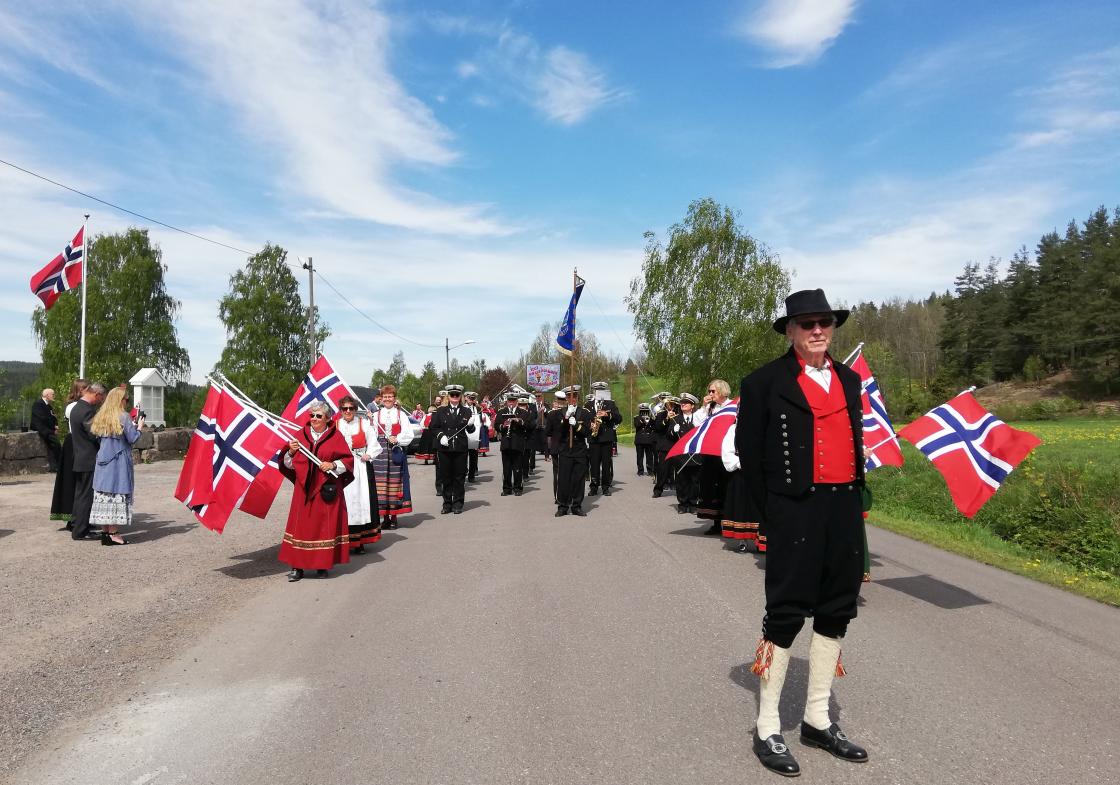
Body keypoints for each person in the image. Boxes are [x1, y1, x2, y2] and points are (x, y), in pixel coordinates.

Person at [738, 288, 869, 776]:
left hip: (843, 508)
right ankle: (768, 725)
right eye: (807, 323)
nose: (818, 330)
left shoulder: (851, 380)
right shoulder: (763, 383)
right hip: (795, 509)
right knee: (787, 611)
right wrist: (775, 511)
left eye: (825, 323)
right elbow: (750, 457)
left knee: (838, 606)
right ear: (790, 331)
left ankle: (816, 717)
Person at [279, 401, 354, 581]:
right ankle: (297, 567)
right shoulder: (300, 436)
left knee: (323, 527)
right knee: (300, 528)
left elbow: (348, 461)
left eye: (318, 415)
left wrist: (333, 464)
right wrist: (289, 452)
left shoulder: (336, 437)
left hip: (325, 489)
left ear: (327, 419)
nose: (314, 418)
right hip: (303, 490)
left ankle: (322, 565)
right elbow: (287, 464)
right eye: (312, 415)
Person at [89, 387, 143, 545]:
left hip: (103, 461)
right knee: (117, 493)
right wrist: (139, 427)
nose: (127, 402)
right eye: (126, 399)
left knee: (105, 495)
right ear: (120, 400)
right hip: (118, 461)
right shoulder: (124, 417)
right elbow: (132, 438)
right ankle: (114, 533)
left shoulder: (101, 416)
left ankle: (106, 532)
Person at [335, 396, 383, 552]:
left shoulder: (364, 424)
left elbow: (374, 445)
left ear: (355, 409)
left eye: (350, 408)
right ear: (341, 410)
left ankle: (359, 541)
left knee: (360, 502)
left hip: (360, 468)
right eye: (344, 409)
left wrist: (369, 455)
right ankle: (343, 540)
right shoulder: (335, 426)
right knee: (343, 503)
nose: (347, 411)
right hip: (341, 468)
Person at [369, 385, 415, 529]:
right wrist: (369, 421)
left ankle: (394, 517)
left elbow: (409, 433)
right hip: (380, 452)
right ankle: (385, 517)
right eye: (385, 397)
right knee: (381, 484)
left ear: (394, 398)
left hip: (395, 451)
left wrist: (398, 438)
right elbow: (370, 435)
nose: (387, 399)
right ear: (381, 399)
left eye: (390, 396)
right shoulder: (375, 415)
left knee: (395, 483)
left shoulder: (401, 415)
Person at [429, 385, 476, 514]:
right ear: (448, 397)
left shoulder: (466, 411)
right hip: (445, 448)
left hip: (460, 448)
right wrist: (441, 436)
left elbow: (470, 431)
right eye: (452, 395)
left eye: (457, 395)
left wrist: (471, 425)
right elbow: (433, 427)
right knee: (446, 477)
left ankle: (458, 503)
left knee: (459, 477)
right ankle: (447, 504)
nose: (454, 398)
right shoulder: (440, 411)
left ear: (460, 397)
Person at [718, 421, 763, 552]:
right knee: (741, 505)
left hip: (759, 473)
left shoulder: (763, 425)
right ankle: (742, 539)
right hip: (740, 473)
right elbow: (727, 451)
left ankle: (760, 539)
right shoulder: (734, 428)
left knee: (758, 506)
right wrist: (741, 463)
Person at [69, 382, 106, 540]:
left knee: (80, 495)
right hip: (88, 459)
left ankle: (78, 523)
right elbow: (94, 434)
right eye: (101, 398)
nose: (100, 401)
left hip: (80, 457)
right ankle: (81, 531)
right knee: (86, 496)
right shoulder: (86, 411)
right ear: (96, 394)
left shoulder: (77, 408)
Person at [695, 380, 733, 534]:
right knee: (712, 487)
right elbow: (696, 423)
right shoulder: (710, 408)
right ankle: (716, 523)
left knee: (726, 486)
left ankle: (730, 522)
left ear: (722, 391)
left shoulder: (732, 405)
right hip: (711, 452)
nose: (710, 394)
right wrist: (704, 407)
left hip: (727, 451)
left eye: (713, 391)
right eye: (709, 391)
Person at [50, 379, 89, 528]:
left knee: (80, 482)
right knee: (73, 481)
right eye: (85, 388)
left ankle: (80, 517)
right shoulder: (74, 406)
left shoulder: (80, 405)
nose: (88, 391)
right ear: (79, 391)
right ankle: (73, 519)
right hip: (74, 444)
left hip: (77, 443)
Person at [554, 385, 593, 517]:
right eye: (570, 396)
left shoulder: (585, 413)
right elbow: (559, 432)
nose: (572, 399)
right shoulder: (560, 412)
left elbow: (587, 432)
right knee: (563, 479)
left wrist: (576, 425)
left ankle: (577, 505)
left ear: (577, 398)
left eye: (575, 396)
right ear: (566, 398)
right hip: (565, 450)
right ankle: (563, 506)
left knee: (578, 479)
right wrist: (566, 418)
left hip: (579, 450)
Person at [587, 381, 622, 496]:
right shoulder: (588, 404)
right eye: (597, 391)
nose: (599, 393)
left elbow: (619, 418)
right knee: (594, 464)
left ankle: (606, 487)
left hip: (606, 438)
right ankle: (594, 486)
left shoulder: (611, 404)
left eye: (602, 390)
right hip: (594, 439)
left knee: (606, 464)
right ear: (594, 391)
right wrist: (590, 424)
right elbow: (584, 419)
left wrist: (608, 415)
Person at [494, 394, 531, 496]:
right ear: (507, 401)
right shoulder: (502, 412)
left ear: (516, 401)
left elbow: (528, 425)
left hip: (517, 443)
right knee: (506, 467)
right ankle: (506, 488)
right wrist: (503, 425)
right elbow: (496, 425)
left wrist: (519, 420)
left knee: (518, 466)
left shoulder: (523, 412)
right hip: (506, 442)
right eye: (509, 400)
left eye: (513, 400)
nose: (511, 403)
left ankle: (518, 488)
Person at [673, 393, 701, 514]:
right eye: (682, 403)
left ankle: (693, 503)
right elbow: (669, 435)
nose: (683, 404)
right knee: (681, 480)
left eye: (686, 403)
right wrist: (674, 431)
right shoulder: (676, 419)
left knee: (694, 480)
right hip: (681, 455)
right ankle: (683, 504)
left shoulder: (698, 418)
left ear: (692, 405)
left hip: (695, 454)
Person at [651, 395, 681, 498]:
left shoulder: (680, 414)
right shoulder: (661, 414)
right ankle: (658, 489)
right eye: (669, 404)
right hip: (665, 445)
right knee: (663, 469)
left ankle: (679, 490)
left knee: (679, 470)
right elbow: (658, 428)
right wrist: (667, 419)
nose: (670, 406)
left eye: (673, 404)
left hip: (678, 445)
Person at [31, 388, 62, 473]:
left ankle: (54, 467)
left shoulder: (48, 406)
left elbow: (53, 417)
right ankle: (59, 465)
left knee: (52, 447)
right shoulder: (38, 404)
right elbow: (43, 418)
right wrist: (53, 427)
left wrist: (56, 425)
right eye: (53, 394)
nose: (54, 396)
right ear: (47, 395)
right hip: (42, 429)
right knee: (57, 444)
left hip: (48, 429)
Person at [544, 390, 566, 501]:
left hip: (556, 447)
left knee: (556, 472)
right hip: (566, 447)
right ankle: (567, 495)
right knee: (567, 472)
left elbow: (547, 432)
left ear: (556, 401)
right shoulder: (569, 413)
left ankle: (557, 496)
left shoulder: (551, 414)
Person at [465, 392, 484, 482]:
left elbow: (481, 419)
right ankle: (464, 471)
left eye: (473, 399)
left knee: (473, 456)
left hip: (475, 434)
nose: (471, 400)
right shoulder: (463, 408)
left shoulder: (477, 408)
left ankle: (471, 475)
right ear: (466, 398)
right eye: (470, 398)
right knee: (464, 456)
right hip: (465, 434)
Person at [633, 403, 656, 476]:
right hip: (640, 440)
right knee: (640, 456)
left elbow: (654, 427)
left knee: (649, 456)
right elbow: (637, 425)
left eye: (645, 410)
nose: (644, 412)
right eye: (642, 411)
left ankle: (650, 470)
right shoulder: (637, 418)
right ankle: (640, 470)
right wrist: (643, 420)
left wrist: (650, 420)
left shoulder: (651, 418)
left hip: (649, 440)